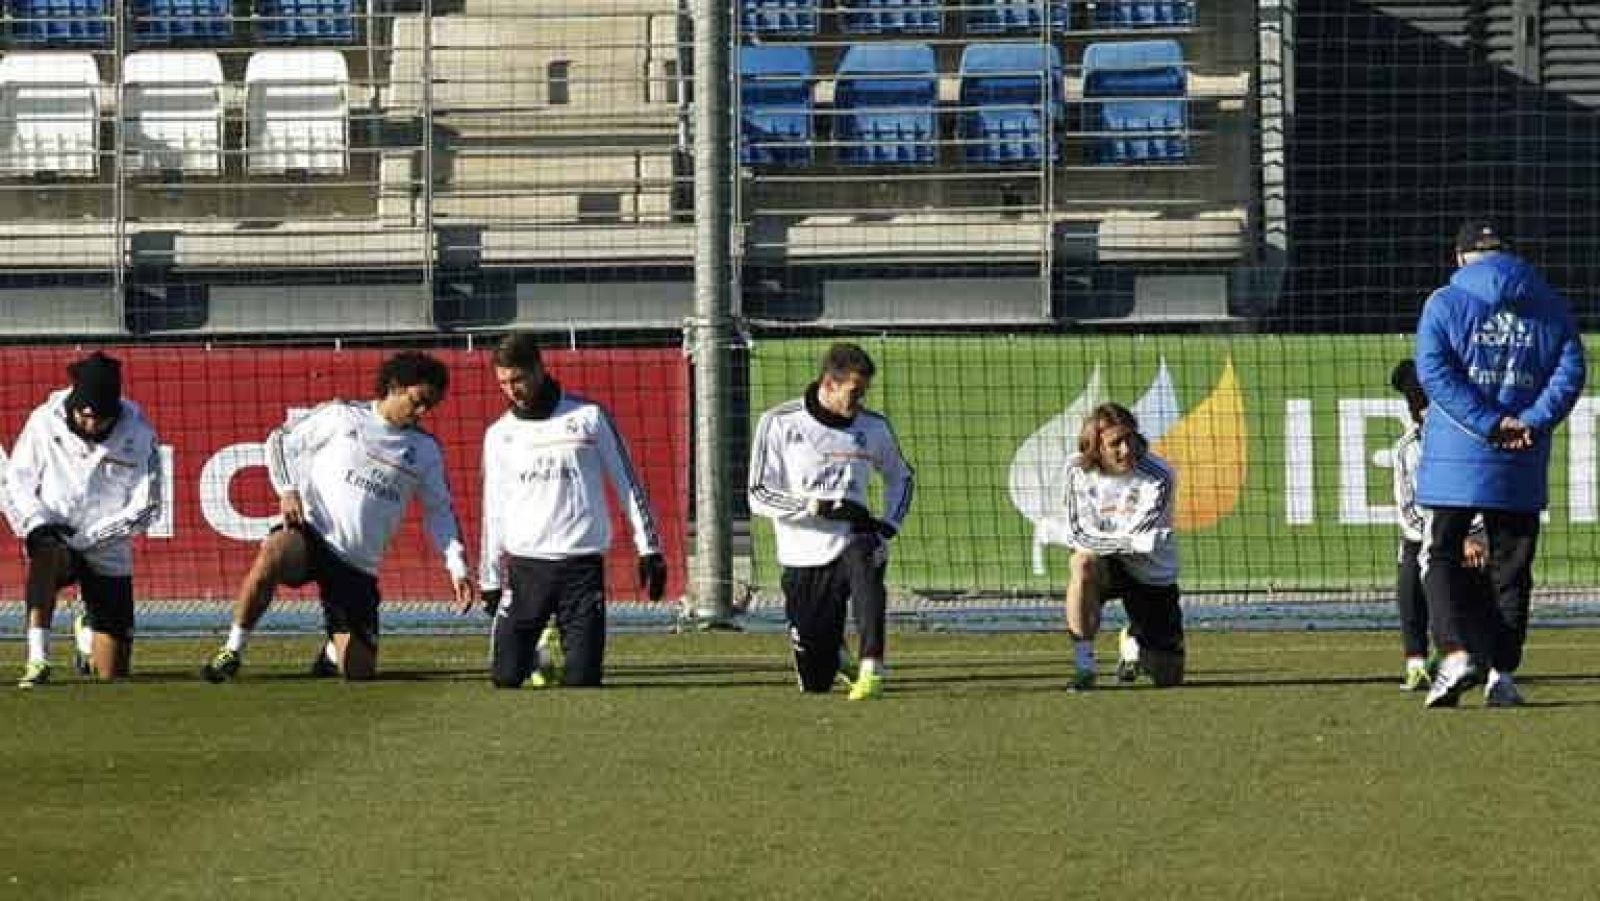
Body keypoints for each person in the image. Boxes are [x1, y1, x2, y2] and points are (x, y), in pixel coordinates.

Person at [201, 351, 475, 682]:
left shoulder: (426, 450)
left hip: (358, 566)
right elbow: (279, 440)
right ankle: (232, 649)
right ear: (394, 386)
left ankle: (333, 652)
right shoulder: (342, 415)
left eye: (429, 406)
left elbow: (439, 511)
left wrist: (457, 567)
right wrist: (287, 490)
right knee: (274, 551)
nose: (421, 412)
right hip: (312, 536)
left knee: (358, 672)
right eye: (417, 401)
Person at [1414, 220, 1586, 708]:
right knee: (1511, 569)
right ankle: (1502, 675)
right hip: (1523, 458)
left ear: (1460, 255)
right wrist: (1529, 421)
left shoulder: (1444, 303)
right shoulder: (1550, 305)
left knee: (1440, 555)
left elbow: (1434, 372)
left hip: (1458, 456)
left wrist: (1490, 423)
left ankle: (1453, 652)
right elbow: (1571, 370)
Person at [479, 333, 668, 689]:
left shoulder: (588, 418)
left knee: (583, 682)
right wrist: (489, 577)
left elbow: (628, 485)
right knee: (505, 680)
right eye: (503, 382)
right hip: (525, 567)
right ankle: (536, 647)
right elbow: (493, 508)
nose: (511, 390)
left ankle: (553, 641)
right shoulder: (499, 434)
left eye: (518, 379)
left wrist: (650, 549)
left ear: (539, 368)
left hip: (580, 568)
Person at [747, 342, 913, 700]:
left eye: (864, 393)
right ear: (829, 383)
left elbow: (902, 477)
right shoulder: (779, 422)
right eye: (854, 392)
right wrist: (814, 506)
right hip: (802, 556)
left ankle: (872, 668)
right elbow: (758, 493)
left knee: (867, 557)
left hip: (853, 539)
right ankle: (833, 653)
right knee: (816, 682)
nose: (859, 401)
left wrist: (888, 525)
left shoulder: (874, 427)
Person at [4, 352, 162, 687]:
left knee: (113, 674)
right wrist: (36, 524)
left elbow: (147, 506)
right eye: (85, 416)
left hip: (107, 547)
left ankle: (88, 629)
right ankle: (38, 659)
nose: (92, 425)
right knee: (44, 555)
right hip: (55, 533)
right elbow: (17, 480)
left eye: (101, 420)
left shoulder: (140, 432)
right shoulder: (44, 421)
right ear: (75, 404)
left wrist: (89, 538)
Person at [1052, 402, 1182, 691]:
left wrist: (1121, 540)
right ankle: (1084, 666)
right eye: (1115, 444)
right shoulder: (1077, 471)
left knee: (1168, 677)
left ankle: (1133, 639)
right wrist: (1124, 541)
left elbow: (1142, 536)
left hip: (1150, 571)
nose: (1126, 450)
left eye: (1130, 439)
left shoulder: (1160, 476)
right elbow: (1081, 533)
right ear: (1095, 447)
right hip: (1103, 563)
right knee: (1081, 563)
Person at [1389, 359, 1491, 691]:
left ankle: (1477, 652)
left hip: (1467, 534)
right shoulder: (1407, 450)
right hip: (1427, 536)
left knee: (1487, 568)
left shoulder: (1466, 442)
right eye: (1422, 408)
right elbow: (1410, 514)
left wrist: (1473, 537)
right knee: (1411, 564)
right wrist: (1449, 540)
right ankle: (1416, 661)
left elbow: (1479, 495)